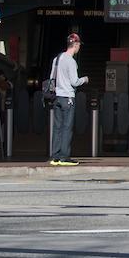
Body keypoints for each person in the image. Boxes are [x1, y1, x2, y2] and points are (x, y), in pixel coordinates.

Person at [49, 33, 88, 167]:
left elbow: (51, 78)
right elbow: (74, 81)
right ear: (76, 45)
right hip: (68, 98)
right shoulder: (71, 61)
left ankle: (55, 156)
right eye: (78, 46)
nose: (79, 48)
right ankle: (64, 157)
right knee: (67, 128)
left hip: (57, 97)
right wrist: (85, 79)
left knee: (57, 127)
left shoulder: (57, 59)